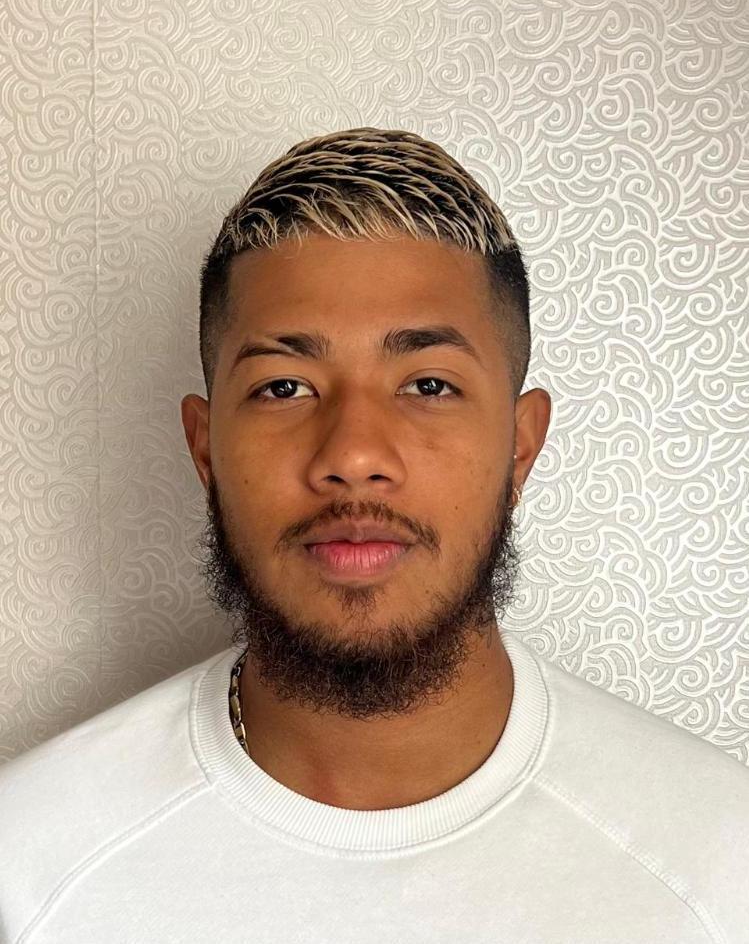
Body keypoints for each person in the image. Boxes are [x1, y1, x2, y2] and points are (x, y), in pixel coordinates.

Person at [1, 127, 747, 943]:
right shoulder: (28, 866)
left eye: (427, 384)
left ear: (520, 445)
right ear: (205, 449)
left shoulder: (716, 862)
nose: (353, 455)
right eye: (284, 387)